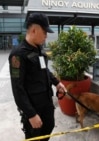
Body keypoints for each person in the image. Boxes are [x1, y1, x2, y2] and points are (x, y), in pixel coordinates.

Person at [8, 12, 67, 141]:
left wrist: (57, 83)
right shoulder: (17, 55)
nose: (46, 36)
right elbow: (17, 89)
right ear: (34, 30)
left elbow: (45, 71)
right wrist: (31, 114)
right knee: (34, 137)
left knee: (49, 128)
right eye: (45, 32)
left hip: (46, 102)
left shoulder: (39, 50)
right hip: (33, 107)